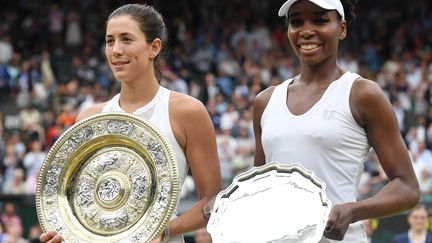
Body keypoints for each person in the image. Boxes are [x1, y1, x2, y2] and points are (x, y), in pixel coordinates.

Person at [39, 3, 221, 243]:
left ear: (154, 47)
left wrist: (164, 230)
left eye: (126, 39)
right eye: (110, 41)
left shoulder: (187, 111)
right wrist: (64, 234)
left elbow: (213, 200)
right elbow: (75, 205)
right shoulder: (88, 118)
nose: (115, 50)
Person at [252, 0, 420, 242]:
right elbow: (259, 184)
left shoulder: (362, 94)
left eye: (320, 20)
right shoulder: (265, 101)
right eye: (296, 21)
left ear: (342, 28)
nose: (306, 30)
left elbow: (408, 188)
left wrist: (353, 210)